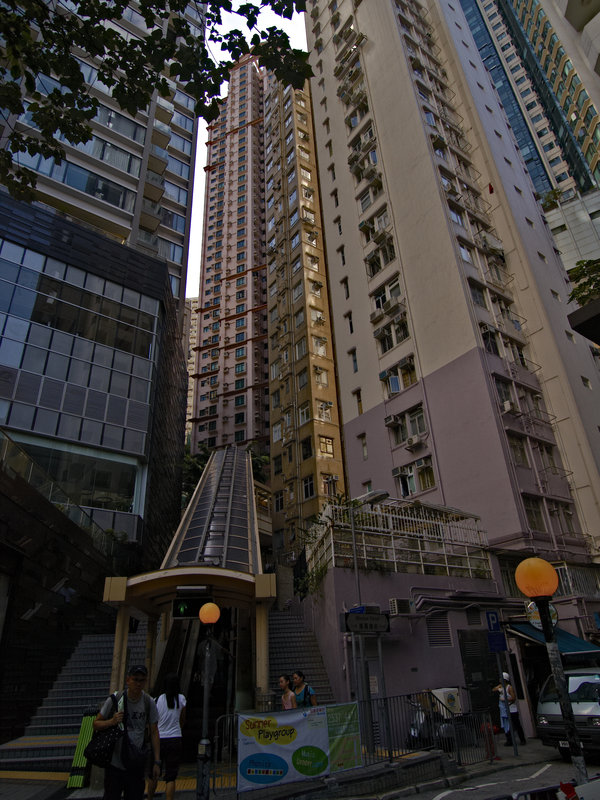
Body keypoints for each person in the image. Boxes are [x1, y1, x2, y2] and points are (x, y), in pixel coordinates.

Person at [94, 665, 161, 800]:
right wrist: (111, 721)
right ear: (128, 680)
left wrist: (157, 761)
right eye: (135, 679)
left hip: (136, 764)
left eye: (142, 680)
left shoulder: (148, 702)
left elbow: (154, 731)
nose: (138, 683)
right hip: (115, 764)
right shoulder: (115, 699)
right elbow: (96, 724)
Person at [147, 673, 186, 800]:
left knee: (153, 773)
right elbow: (182, 719)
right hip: (175, 739)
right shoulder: (181, 699)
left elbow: (153, 723)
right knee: (171, 776)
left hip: (158, 740)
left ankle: (150, 798)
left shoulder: (157, 700)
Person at [493, 671, 526, 746]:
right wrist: (498, 688)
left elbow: (513, 698)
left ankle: (522, 739)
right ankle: (509, 740)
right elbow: (494, 689)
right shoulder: (501, 687)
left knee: (516, 724)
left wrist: (505, 700)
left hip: (512, 709)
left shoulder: (509, 687)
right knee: (506, 725)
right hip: (505, 710)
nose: (500, 680)